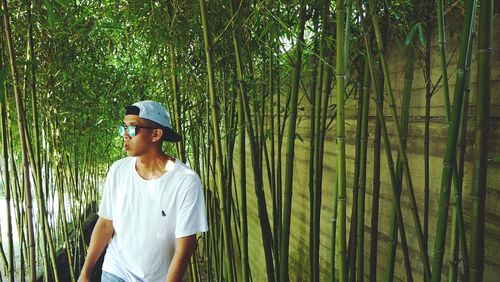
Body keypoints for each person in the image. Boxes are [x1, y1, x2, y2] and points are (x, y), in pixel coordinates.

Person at [78, 100, 208, 282]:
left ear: (156, 134)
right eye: (123, 128)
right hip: (116, 270)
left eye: (132, 129)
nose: (124, 135)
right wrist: (85, 272)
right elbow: (106, 223)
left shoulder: (186, 181)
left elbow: (185, 246)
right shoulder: (118, 170)